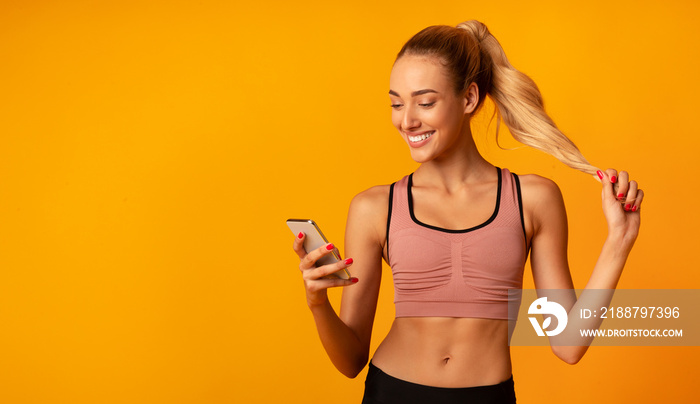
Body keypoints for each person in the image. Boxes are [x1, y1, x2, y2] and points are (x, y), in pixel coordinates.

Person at [292, 20, 643, 404]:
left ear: (469, 98)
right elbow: (351, 360)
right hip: (391, 391)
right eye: (396, 103)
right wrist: (317, 302)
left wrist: (619, 240)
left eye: (425, 102)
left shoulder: (533, 198)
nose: (406, 120)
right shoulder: (374, 207)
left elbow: (568, 344)